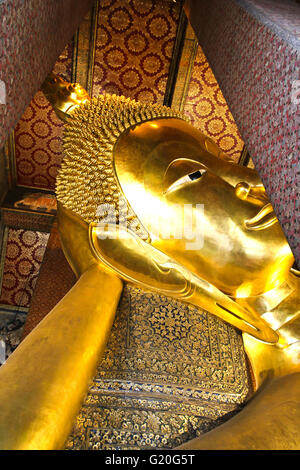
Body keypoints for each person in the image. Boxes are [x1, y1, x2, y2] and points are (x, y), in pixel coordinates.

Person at [0, 74, 298, 449]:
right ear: (126, 252)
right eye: (191, 174)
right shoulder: (124, 291)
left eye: (219, 158)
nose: (251, 179)